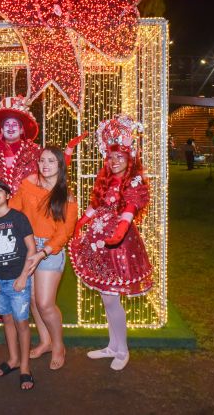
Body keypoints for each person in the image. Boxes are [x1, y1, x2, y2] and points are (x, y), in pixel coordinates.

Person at [0, 96, 85, 324]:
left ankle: (19, 311)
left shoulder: (35, 152)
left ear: (22, 129)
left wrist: (68, 151)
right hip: (0, 211)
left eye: (14, 124)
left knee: (23, 269)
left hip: (29, 219)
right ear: (1, 129)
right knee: (0, 257)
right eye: (6, 124)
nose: (10, 128)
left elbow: (54, 170)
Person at [69, 115, 153, 371]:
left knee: (112, 298)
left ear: (130, 159)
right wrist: (82, 221)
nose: (114, 161)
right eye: (111, 157)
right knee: (107, 298)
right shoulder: (105, 179)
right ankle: (112, 345)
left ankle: (122, 349)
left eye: (120, 157)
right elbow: (98, 205)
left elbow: (129, 209)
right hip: (100, 242)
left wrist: (119, 232)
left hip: (119, 246)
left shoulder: (134, 181)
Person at [9, 146, 77, 370]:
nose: (45, 165)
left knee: (46, 303)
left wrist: (43, 252)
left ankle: (58, 345)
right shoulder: (29, 184)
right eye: (41, 160)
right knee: (34, 302)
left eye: (51, 161)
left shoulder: (66, 195)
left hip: (49, 249)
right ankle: (45, 341)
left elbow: (65, 232)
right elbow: (13, 209)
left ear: (60, 165)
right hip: (27, 245)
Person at [0, 179, 36, 390]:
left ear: (7, 194)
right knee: (6, 319)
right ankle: (13, 359)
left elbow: (31, 250)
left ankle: (25, 367)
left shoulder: (18, 218)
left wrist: (24, 276)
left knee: (21, 323)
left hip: (17, 281)